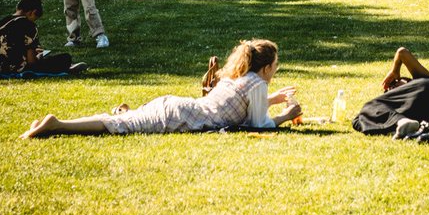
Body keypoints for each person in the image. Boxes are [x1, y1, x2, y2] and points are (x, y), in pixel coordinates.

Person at [21, 39, 300, 138]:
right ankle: (58, 124)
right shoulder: (256, 84)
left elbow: (240, 108)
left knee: (123, 120)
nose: (275, 71)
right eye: (275, 66)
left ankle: (54, 125)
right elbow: (259, 126)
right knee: (119, 126)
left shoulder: (240, 77)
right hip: (179, 116)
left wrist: (273, 100)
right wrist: (287, 115)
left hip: (178, 106)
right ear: (265, 68)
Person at [352, 47, 429, 137]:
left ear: (407, 81)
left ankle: (400, 122)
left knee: (368, 108)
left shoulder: (422, 80)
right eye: (387, 91)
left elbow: (402, 52)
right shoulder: (398, 107)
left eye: (395, 82)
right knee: (360, 118)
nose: (390, 88)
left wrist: (395, 70)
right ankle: (401, 126)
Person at [0, 0, 87, 77]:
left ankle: (67, 67)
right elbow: (31, 62)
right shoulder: (28, 25)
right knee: (65, 58)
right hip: (19, 68)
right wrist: (38, 56)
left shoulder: (2, 23)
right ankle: (68, 67)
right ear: (32, 12)